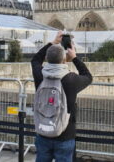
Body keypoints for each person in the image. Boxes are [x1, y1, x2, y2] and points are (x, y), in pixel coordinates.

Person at [31, 31, 93, 162]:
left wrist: (53, 42)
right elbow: (88, 76)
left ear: (47, 59)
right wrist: (75, 57)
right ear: (64, 59)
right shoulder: (70, 79)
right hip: (65, 134)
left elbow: (35, 59)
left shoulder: (40, 75)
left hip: (43, 131)